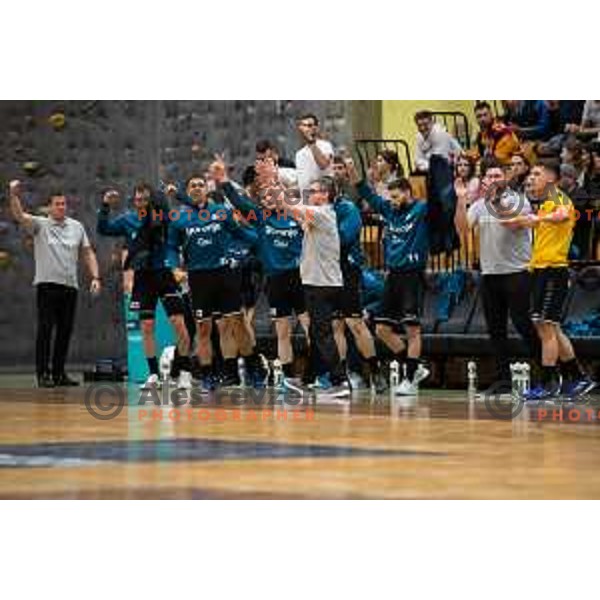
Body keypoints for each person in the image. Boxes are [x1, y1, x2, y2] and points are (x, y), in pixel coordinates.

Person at [503, 161, 595, 400]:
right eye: (530, 173)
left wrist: (539, 219)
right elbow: (533, 221)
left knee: (544, 327)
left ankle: (548, 383)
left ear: (551, 179)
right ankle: (578, 378)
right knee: (552, 327)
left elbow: (564, 214)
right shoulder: (545, 203)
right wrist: (522, 221)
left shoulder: (560, 199)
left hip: (554, 271)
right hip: (541, 271)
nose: (531, 178)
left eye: (536, 173)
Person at [97, 183, 192, 390]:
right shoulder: (128, 220)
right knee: (146, 326)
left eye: (145, 200)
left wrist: (176, 197)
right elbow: (103, 229)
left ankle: (184, 371)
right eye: (137, 200)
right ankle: (153, 375)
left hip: (164, 274)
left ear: (152, 201)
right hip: (143, 278)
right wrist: (105, 206)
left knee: (179, 322)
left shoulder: (162, 217)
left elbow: (184, 223)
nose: (140, 203)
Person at [167, 174, 258, 389]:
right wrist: (173, 268)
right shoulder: (179, 217)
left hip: (225, 274)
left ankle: (250, 370)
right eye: (192, 185)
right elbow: (171, 246)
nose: (197, 188)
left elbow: (241, 234)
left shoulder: (221, 211)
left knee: (237, 324)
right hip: (198, 277)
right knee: (203, 328)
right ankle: (207, 375)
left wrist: (255, 245)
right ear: (188, 191)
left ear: (207, 190)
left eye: (201, 185)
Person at [349, 163, 430, 396]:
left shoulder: (421, 210)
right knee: (382, 329)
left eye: (396, 197)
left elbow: (444, 203)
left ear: (408, 192)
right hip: (393, 276)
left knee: (412, 329)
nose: (392, 201)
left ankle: (410, 379)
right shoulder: (389, 210)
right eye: (390, 197)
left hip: (412, 276)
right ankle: (414, 367)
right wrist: (353, 171)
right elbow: (366, 193)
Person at [9, 181, 101, 387]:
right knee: (45, 329)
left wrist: (95, 277)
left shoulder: (77, 227)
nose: (61, 207)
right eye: (57, 204)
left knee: (65, 330)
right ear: (49, 207)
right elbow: (19, 215)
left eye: (63, 204)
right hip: (47, 286)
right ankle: (43, 374)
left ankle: (59, 373)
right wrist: (14, 195)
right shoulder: (40, 224)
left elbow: (87, 252)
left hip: (70, 287)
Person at [457, 160, 540, 384]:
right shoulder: (478, 205)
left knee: (523, 323)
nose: (493, 180)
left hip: (517, 272)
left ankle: (546, 370)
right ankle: (503, 378)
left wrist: (493, 200)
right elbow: (463, 229)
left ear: (504, 177)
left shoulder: (518, 200)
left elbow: (510, 224)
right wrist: (461, 199)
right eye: (489, 176)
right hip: (490, 274)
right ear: (484, 179)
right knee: (495, 329)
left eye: (497, 176)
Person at [280, 176, 351, 399]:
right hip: (320, 283)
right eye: (310, 190)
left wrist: (273, 182)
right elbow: (291, 209)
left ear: (326, 194)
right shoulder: (318, 216)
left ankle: (340, 382)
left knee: (322, 334)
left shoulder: (322, 214)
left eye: (315, 190)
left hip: (321, 285)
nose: (310, 193)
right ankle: (308, 380)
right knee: (315, 332)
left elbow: (285, 206)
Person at [331, 159, 386, 392]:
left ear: (331, 193)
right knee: (336, 325)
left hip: (348, 270)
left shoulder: (348, 209)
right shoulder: (319, 212)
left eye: (319, 192)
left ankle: (375, 371)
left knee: (355, 322)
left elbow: (344, 239)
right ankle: (344, 376)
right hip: (327, 272)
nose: (315, 196)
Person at [295, 113, 334, 195]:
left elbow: (323, 164)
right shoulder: (299, 154)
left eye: (309, 125)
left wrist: (311, 142)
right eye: (303, 126)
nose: (305, 129)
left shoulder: (325, 146)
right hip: (306, 199)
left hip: (322, 197)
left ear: (316, 128)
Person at [471, 101, 520, 166]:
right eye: (479, 116)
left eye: (485, 115)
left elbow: (499, 159)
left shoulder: (501, 131)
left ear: (491, 115)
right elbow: (477, 155)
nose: (482, 119)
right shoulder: (481, 135)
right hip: (493, 167)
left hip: (509, 166)